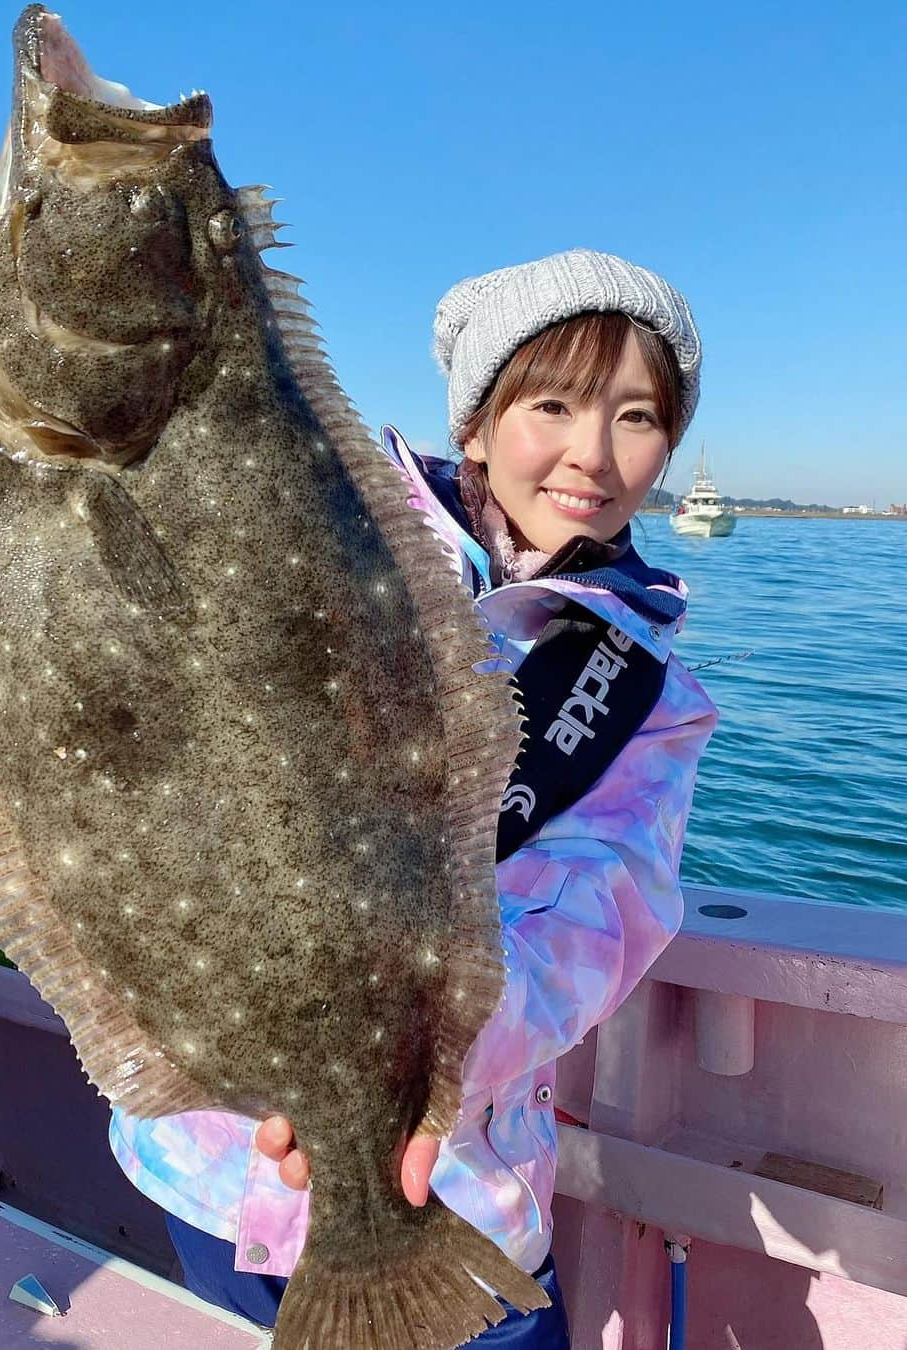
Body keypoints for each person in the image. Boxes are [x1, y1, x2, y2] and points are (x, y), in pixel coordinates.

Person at [109, 247, 718, 1346]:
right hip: (210, 1159)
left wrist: (406, 1064)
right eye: (553, 403)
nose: (592, 453)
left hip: (455, 1189)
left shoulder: (648, 695)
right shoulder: (316, 542)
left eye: (637, 417)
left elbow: (599, 918)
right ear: (475, 423)